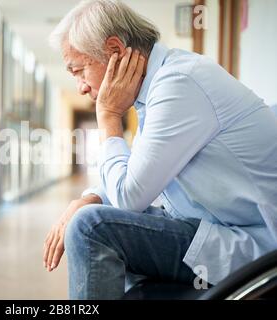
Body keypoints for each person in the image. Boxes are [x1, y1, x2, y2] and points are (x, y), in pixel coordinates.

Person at [42, 0, 277, 300]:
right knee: (93, 214)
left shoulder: (178, 83)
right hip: (217, 227)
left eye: (78, 70)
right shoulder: (162, 84)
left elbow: (129, 197)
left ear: (115, 51)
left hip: (256, 247)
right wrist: (88, 197)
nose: (81, 87)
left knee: (91, 228)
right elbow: (138, 171)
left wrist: (109, 116)